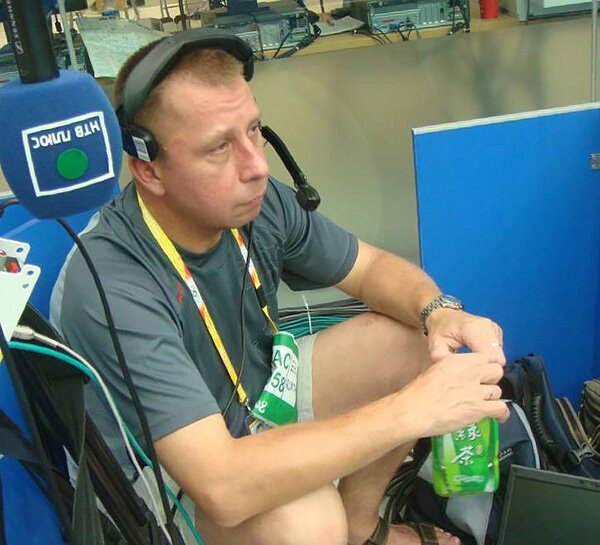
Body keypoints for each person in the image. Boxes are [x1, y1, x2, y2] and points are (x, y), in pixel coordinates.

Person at [50, 29, 508, 545]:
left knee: (416, 340)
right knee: (307, 524)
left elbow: (371, 268)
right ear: (147, 169)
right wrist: (410, 411)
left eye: (254, 130)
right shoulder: (112, 283)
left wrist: (439, 311)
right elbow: (222, 484)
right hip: (166, 476)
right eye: (219, 147)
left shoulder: (254, 202)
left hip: (256, 400)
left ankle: (360, 526)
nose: (257, 167)